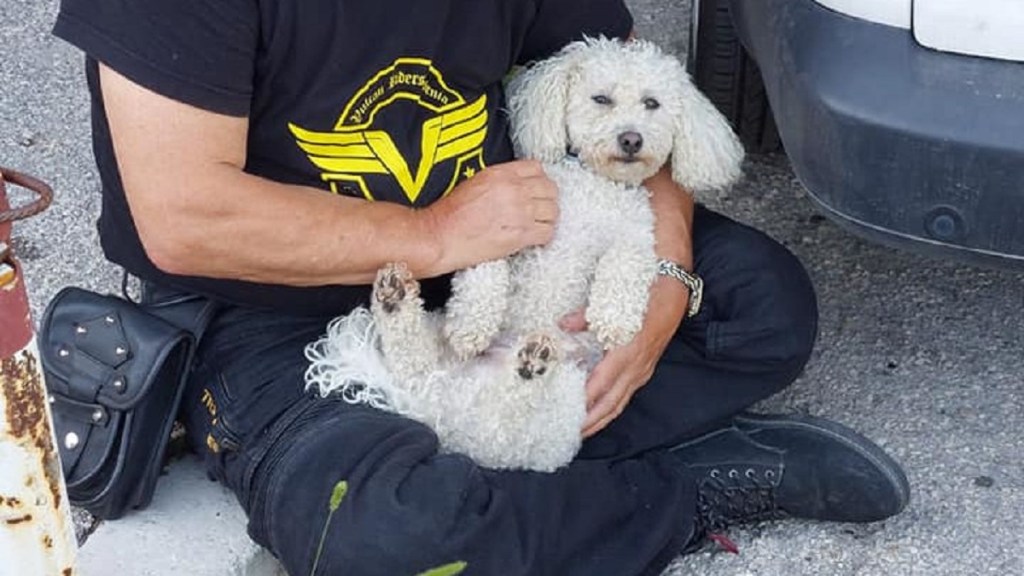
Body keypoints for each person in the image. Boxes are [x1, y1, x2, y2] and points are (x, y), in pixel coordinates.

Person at [53, 1, 909, 574]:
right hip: (270, 301)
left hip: (514, 245)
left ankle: (513, 458)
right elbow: (184, 215)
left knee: (765, 309)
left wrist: (666, 270)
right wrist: (431, 235)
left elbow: (633, 87)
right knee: (391, 532)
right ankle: (677, 490)